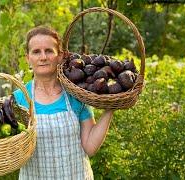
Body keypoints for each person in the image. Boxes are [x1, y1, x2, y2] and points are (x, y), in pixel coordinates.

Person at [13, 26, 114, 180]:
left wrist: (110, 108)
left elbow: (90, 147)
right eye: (36, 52)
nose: (43, 57)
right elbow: (13, 151)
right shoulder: (19, 99)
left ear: (60, 56)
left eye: (49, 51)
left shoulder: (76, 94)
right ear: (28, 58)